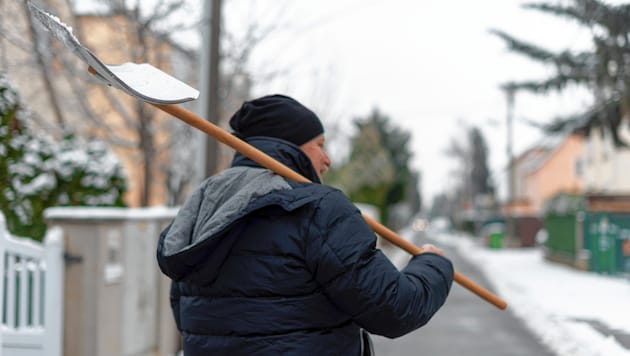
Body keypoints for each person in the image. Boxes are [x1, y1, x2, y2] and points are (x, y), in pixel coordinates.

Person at [156, 94, 454, 356]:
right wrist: (432, 265)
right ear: (292, 147)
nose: (327, 160)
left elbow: (187, 315)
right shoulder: (319, 209)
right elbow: (394, 309)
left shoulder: (204, 206)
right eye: (320, 145)